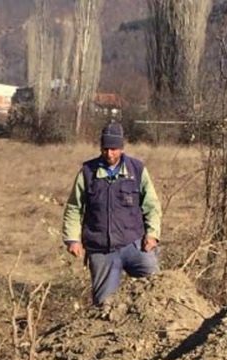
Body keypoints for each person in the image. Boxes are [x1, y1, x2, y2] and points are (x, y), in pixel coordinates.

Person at [61, 122, 162, 306]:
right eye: (105, 148)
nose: (109, 154)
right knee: (104, 305)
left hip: (134, 243)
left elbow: (152, 205)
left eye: (114, 149)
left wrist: (152, 234)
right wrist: (72, 239)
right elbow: (74, 208)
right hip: (101, 249)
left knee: (158, 288)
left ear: (122, 148)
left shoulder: (137, 170)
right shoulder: (87, 172)